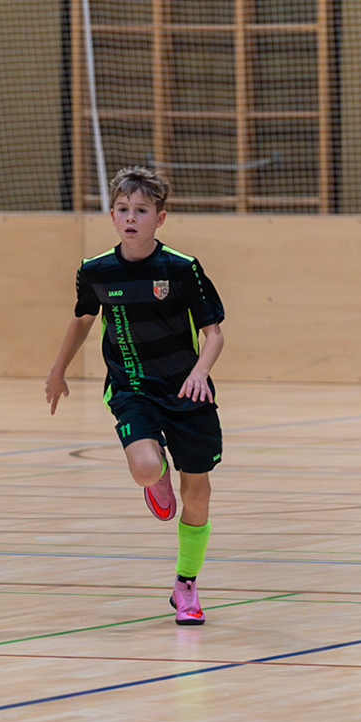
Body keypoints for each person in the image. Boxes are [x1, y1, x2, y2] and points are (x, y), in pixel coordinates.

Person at [46, 166, 225, 625]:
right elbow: (83, 319)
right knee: (145, 468)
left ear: (159, 219)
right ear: (111, 215)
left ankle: (186, 584)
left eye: (142, 210)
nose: (131, 217)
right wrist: (58, 370)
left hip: (186, 389)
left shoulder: (181, 268)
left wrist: (201, 373)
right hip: (132, 387)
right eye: (123, 209)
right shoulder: (95, 271)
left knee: (198, 494)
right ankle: (157, 474)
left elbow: (214, 333)